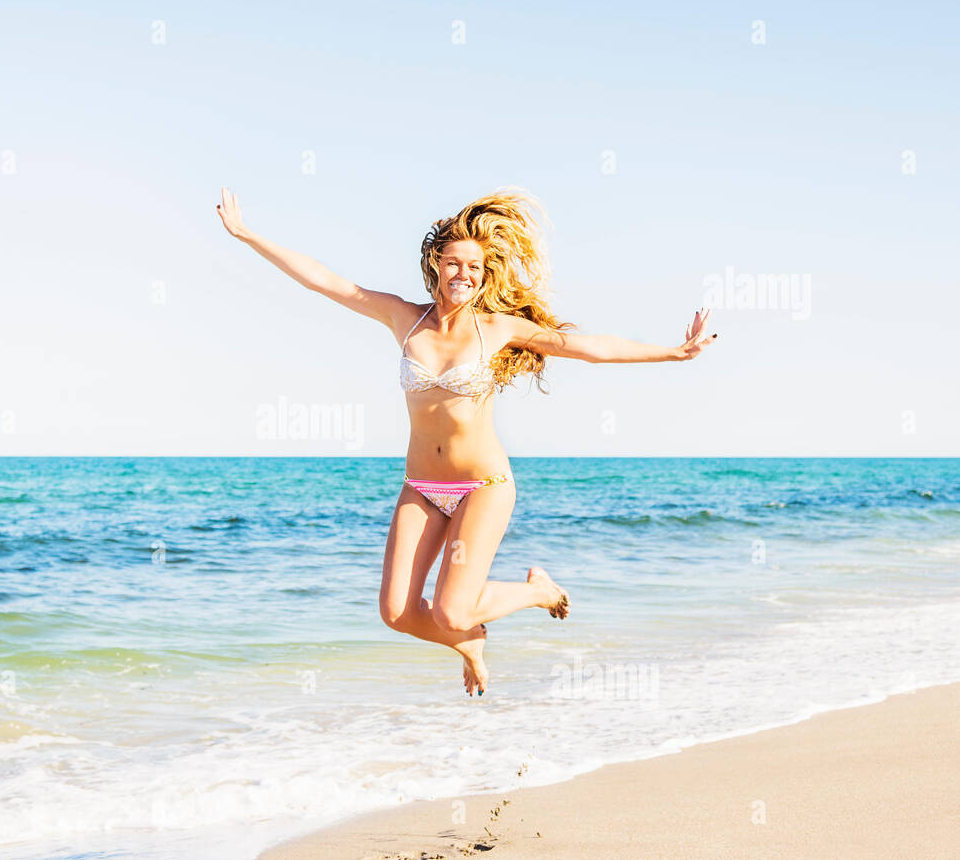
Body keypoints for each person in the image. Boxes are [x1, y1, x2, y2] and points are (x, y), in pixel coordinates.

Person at [216, 186, 716, 696]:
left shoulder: (496, 328)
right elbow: (327, 282)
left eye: (475, 268)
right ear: (436, 265)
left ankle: (535, 592)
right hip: (422, 487)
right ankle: (469, 643)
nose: (466, 275)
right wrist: (248, 233)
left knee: (453, 608)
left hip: (483, 484)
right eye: (455, 264)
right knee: (397, 613)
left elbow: (587, 348)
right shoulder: (403, 319)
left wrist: (675, 353)